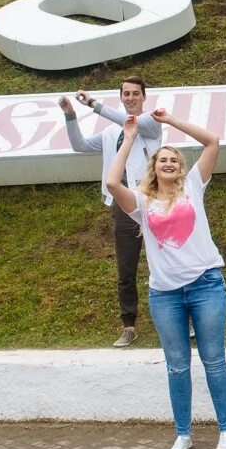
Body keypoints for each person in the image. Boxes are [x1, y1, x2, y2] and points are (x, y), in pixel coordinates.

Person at [105, 109, 226, 449]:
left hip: (207, 284)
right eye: (162, 159)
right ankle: (183, 434)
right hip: (164, 294)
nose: (169, 162)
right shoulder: (142, 202)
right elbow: (112, 183)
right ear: (153, 167)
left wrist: (171, 122)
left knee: (214, 361)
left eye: (174, 159)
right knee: (177, 365)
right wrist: (129, 137)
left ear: (181, 166)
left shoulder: (194, 185)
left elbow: (212, 142)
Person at [58, 77, 161, 348]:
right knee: (126, 268)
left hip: (153, 203)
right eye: (125, 94)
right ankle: (129, 325)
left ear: (143, 97)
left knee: (164, 262)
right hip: (124, 208)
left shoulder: (151, 123)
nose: (130, 98)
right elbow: (78, 145)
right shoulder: (108, 134)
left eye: (135, 94)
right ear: (121, 97)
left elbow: (133, 124)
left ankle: (180, 320)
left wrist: (93, 103)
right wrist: (71, 116)